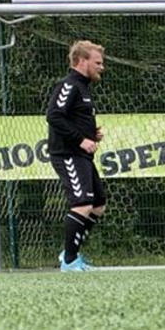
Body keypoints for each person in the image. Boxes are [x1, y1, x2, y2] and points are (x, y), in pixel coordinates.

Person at [47, 40, 106, 272]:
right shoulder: (68, 85)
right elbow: (54, 115)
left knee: (98, 205)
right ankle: (70, 261)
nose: (102, 67)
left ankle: (70, 252)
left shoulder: (83, 87)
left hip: (81, 155)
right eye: (98, 62)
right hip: (68, 154)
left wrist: (91, 134)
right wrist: (81, 139)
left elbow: (70, 117)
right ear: (82, 61)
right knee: (82, 204)